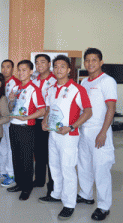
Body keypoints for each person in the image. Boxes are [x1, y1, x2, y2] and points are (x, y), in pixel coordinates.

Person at [39, 55, 92, 220]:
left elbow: (88, 111)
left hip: (69, 135)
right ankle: (56, 194)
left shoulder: (77, 89)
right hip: (53, 133)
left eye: (62, 66)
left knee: (67, 168)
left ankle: (69, 204)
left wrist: (71, 127)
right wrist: (44, 122)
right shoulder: (52, 88)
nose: (58, 69)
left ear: (69, 70)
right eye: (55, 66)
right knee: (54, 165)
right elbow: (49, 108)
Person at [77, 48, 117, 221]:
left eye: (94, 60)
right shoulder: (84, 82)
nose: (90, 63)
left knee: (101, 169)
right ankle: (86, 195)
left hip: (100, 131)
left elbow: (111, 108)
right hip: (84, 131)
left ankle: (103, 206)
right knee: (84, 165)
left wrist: (103, 132)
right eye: (87, 60)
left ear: (101, 62)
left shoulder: (107, 81)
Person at [7, 60, 46, 200]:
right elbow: (11, 109)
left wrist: (27, 117)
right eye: (19, 70)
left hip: (27, 127)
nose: (21, 73)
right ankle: (19, 183)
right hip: (14, 126)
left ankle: (27, 187)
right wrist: (11, 100)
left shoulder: (34, 89)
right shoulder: (17, 88)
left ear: (31, 72)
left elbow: (42, 110)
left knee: (26, 159)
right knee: (16, 157)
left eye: (24, 70)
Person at [32, 54, 56, 196]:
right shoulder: (34, 80)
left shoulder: (54, 80)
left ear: (49, 64)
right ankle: (39, 179)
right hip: (35, 120)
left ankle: (52, 185)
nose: (39, 65)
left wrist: (45, 119)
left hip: (48, 122)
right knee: (38, 152)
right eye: (37, 63)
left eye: (42, 62)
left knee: (49, 155)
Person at [0, 59, 21, 187]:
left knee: (11, 148)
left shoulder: (16, 83)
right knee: (2, 147)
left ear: (12, 69)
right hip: (1, 120)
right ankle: (3, 172)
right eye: (3, 67)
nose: (5, 69)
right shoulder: (0, 82)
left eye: (8, 67)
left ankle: (11, 174)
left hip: (11, 120)